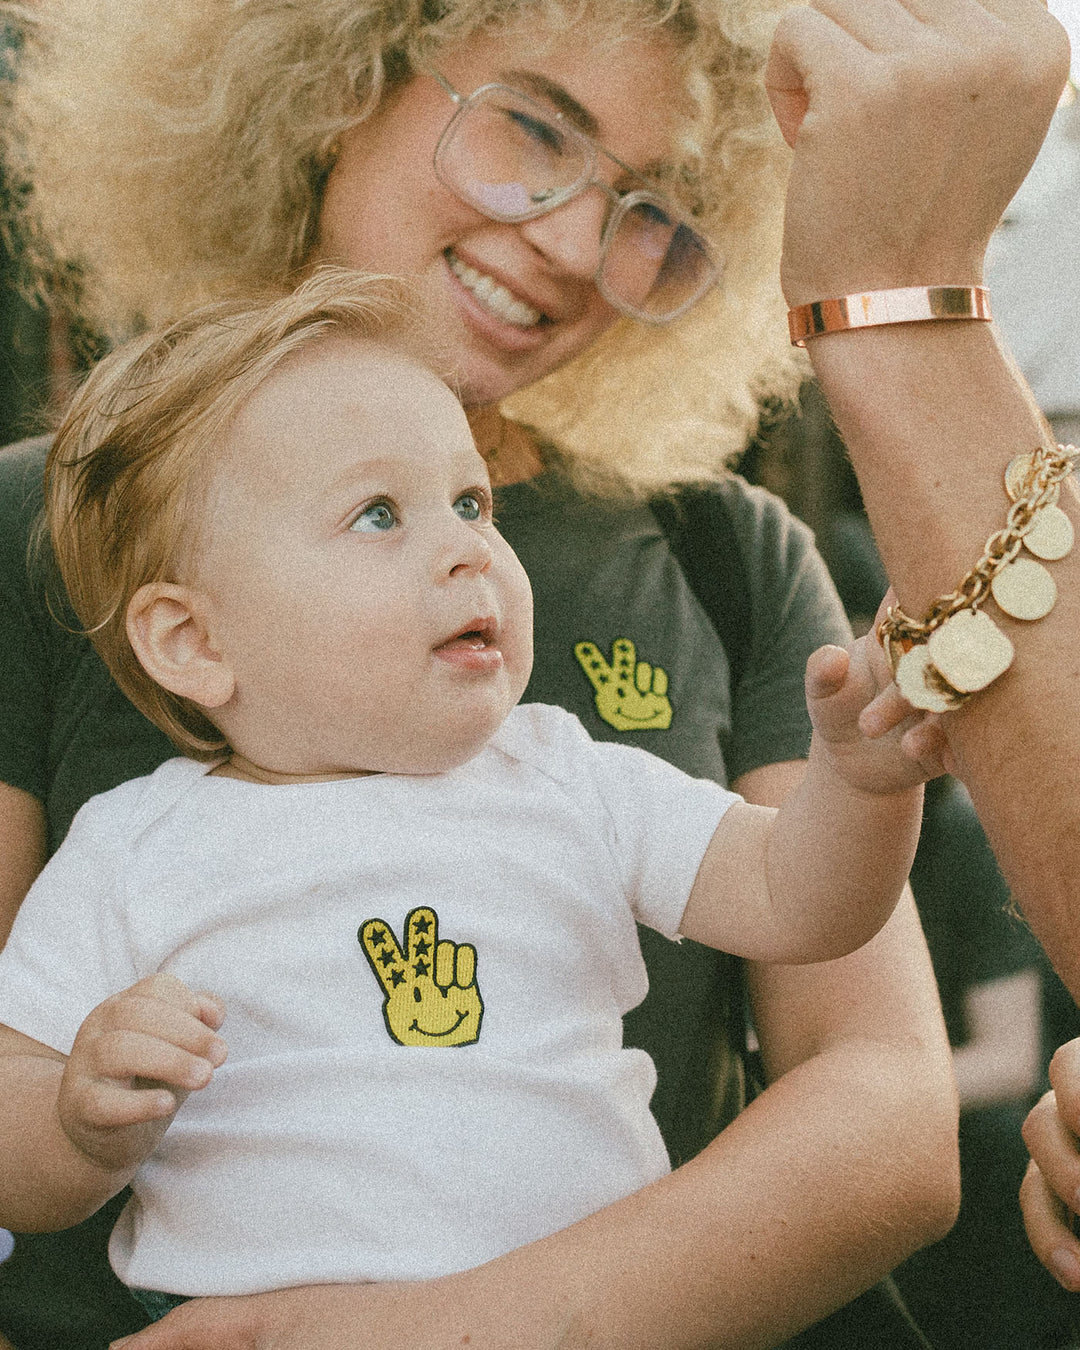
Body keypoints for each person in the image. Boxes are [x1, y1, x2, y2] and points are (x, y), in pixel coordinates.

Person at [0, 0, 1064, 1346]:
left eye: (657, 212)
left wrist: (861, 784)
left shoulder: (712, 566)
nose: (574, 245)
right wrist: (79, 1113)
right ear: (332, 83)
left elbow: (880, 1106)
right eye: (534, 131)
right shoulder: (49, 531)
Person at [0, 268, 937, 1320]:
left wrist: (861, 784)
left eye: (470, 502)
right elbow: (12, 1135)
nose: (467, 549)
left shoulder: (570, 779)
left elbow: (798, 901)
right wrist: (78, 1124)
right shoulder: (135, 846)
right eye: (378, 514)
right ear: (192, 641)